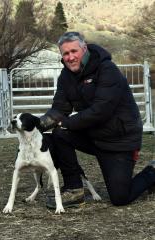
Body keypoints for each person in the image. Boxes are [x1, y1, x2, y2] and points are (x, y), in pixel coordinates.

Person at [39, 31, 155, 208]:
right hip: (94, 136)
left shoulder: (107, 69)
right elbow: (60, 108)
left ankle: (152, 172)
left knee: (120, 198)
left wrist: (67, 122)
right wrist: (36, 126)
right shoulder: (66, 76)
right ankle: (74, 190)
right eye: (65, 53)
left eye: (73, 51)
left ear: (84, 49)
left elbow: (101, 111)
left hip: (119, 140)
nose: (70, 57)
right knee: (60, 134)